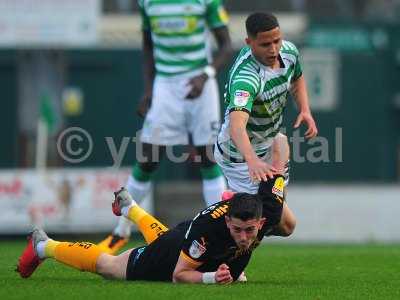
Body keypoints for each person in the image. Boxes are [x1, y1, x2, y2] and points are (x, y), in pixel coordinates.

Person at [98, 0, 233, 254]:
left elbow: (227, 46)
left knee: (208, 157)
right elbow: (147, 46)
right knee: (149, 159)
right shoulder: (147, 2)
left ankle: (221, 231)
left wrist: (205, 75)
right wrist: (148, 90)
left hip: (201, 82)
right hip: (165, 86)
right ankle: (120, 231)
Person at [17, 175, 285, 284]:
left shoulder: (266, 212)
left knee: (166, 239)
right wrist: (211, 278)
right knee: (109, 267)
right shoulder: (206, 235)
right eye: (238, 230)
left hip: (181, 236)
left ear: (261, 223)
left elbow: (281, 147)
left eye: (250, 231)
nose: (244, 237)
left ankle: (130, 208)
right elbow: (180, 275)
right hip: (174, 253)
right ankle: (43, 245)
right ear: (228, 221)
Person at [214, 12, 318, 237]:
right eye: (265, 44)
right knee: (263, 222)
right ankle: (225, 223)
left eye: (276, 41)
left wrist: (305, 110)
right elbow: (236, 126)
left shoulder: (288, 52)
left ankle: (231, 206)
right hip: (241, 157)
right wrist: (252, 161)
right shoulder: (246, 78)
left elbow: (297, 77)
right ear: (249, 43)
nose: (273, 49)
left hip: (270, 146)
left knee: (278, 222)